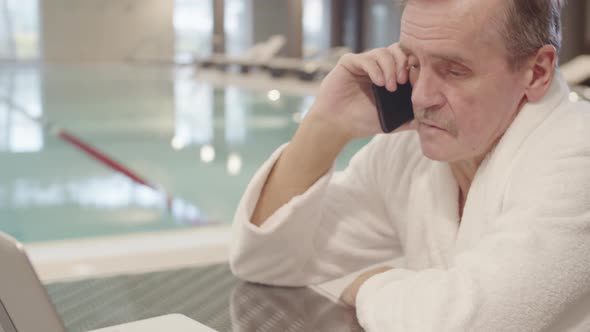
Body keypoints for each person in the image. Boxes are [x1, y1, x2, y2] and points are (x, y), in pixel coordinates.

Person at [229, 0, 590, 331]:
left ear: (537, 71)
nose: (419, 97)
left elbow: (467, 324)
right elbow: (265, 263)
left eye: (454, 71)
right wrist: (325, 125)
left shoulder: (578, 151)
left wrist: (368, 284)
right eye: (414, 64)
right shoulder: (407, 152)